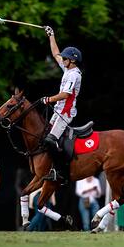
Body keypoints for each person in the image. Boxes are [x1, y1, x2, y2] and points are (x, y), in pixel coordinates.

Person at [41, 25, 83, 182]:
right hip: (58, 111)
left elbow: (66, 94)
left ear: (72, 60)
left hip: (65, 113)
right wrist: (51, 35)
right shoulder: (67, 69)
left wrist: (49, 99)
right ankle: (51, 166)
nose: (62, 59)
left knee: (50, 140)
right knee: (45, 137)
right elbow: (55, 54)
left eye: (65, 58)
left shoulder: (74, 75)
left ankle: (61, 171)